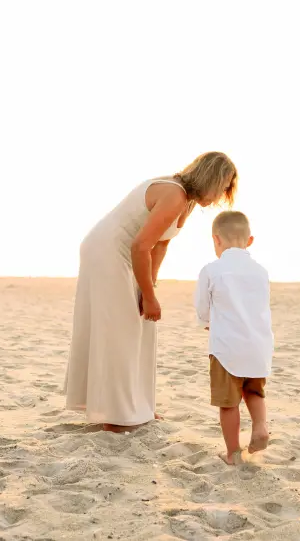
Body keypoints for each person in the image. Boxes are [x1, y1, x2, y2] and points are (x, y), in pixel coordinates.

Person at [64, 152, 238, 432]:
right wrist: (150, 296)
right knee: (122, 332)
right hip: (108, 252)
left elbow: (161, 245)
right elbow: (140, 246)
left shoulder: (187, 202)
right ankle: (115, 416)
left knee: (142, 328)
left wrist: (150, 288)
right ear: (210, 179)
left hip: (126, 254)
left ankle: (137, 406)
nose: (221, 195)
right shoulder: (174, 194)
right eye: (223, 186)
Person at [194, 210, 273, 465]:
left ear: (216, 240)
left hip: (226, 348)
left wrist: (207, 324)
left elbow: (202, 307)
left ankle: (233, 453)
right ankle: (260, 427)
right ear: (249, 240)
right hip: (258, 345)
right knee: (254, 392)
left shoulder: (211, 270)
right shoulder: (260, 271)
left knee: (228, 403)